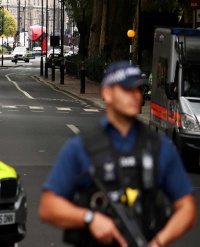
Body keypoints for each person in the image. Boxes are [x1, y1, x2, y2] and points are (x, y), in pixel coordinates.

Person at [39, 61, 196, 247]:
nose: (136, 96)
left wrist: (158, 242)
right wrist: (89, 218)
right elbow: (48, 207)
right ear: (107, 93)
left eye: (139, 90)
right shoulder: (81, 147)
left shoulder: (160, 147)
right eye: (127, 90)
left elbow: (187, 208)